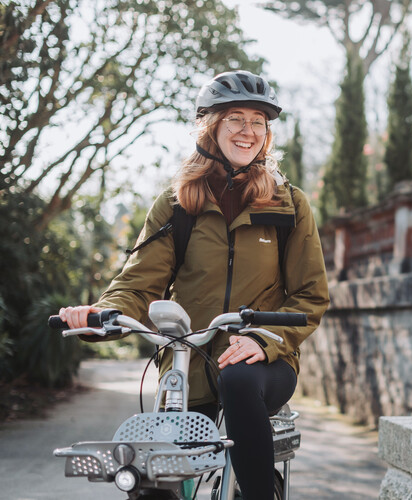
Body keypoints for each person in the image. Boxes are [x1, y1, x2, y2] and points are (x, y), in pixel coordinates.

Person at [57, 70, 330, 500]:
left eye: (258, 121)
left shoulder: (287, 204)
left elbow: (311, 294)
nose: (248, 131)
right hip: (188, 365)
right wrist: (101, 313)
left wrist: (265, 341)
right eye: (236, 118)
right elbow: (139, 282)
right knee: (153, 476)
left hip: (264, 361)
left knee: (239, 380)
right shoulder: (178, 203)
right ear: (211, 127)